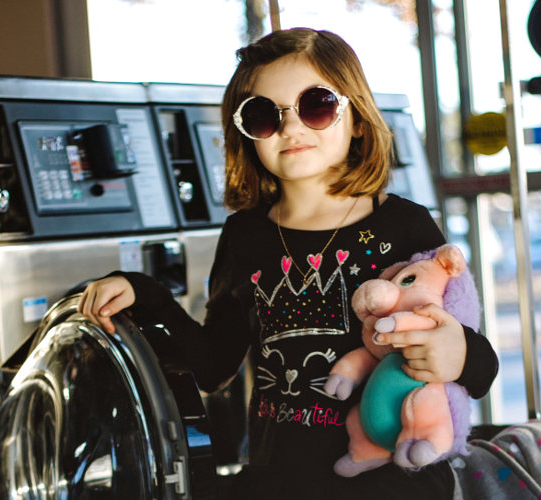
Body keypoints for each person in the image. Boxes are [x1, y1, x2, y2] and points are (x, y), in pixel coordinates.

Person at [78, 27, 498, 500]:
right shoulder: (244, 236)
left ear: (357, 118)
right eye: (263, 116)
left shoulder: (404, 224)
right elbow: (214, 366)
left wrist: (458, 352)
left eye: (315, 106)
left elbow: (481, 369)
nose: (291, 128)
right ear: (245, 133)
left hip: (397, 484)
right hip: (278, 483)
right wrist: (146, 292)